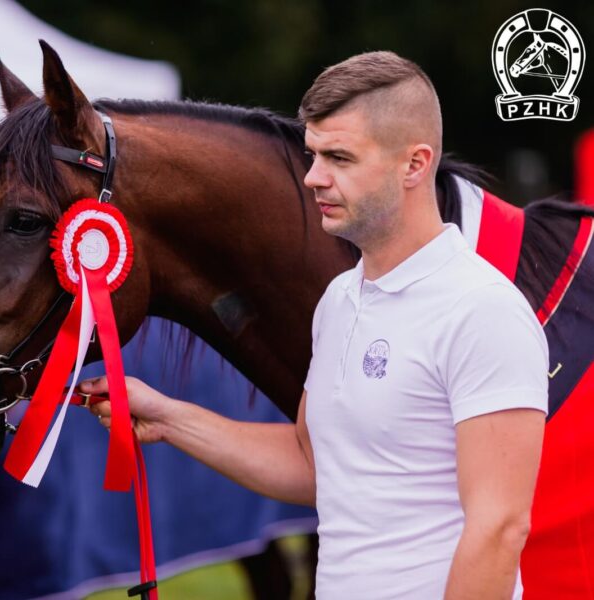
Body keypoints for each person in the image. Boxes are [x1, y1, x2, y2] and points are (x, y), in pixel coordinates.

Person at [83, 51, 548, 599]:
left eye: (339, 158)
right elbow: (318, 466)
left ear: (415, 165)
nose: (312, 178)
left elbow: (499, 528)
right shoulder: (340, 299)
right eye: (312, 155)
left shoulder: (482, 309)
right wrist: (168, 417)